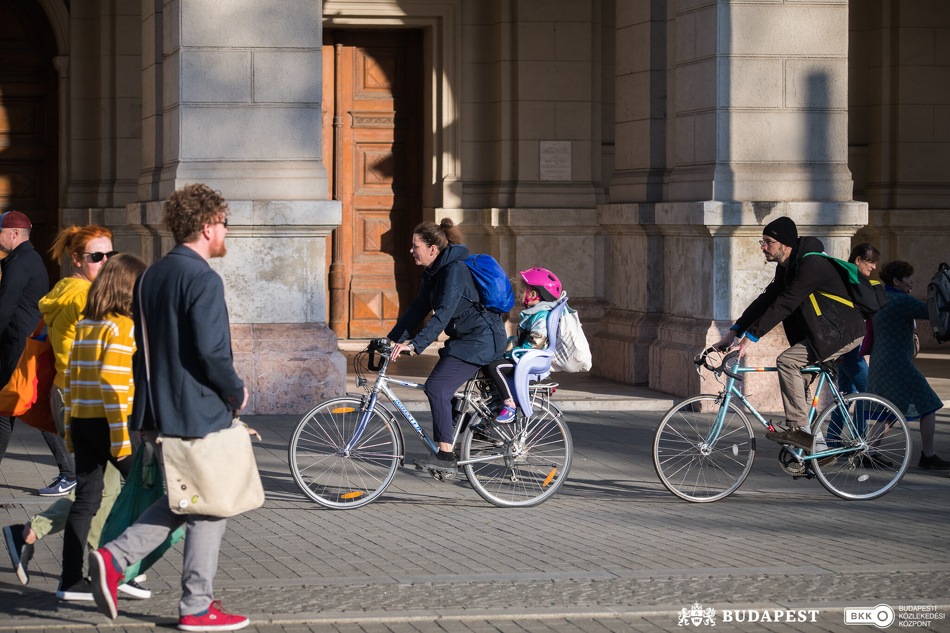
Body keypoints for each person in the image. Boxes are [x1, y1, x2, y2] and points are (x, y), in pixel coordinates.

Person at [87, 183, 250, 631]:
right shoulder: (203, 279)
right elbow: (213, 353)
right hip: (198, 413)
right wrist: (236, 392)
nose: (226, 233)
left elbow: (144, 352)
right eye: (223, 224)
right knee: (209, 505)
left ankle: (118, 559)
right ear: (206, 227)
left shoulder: (152, 276)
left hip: (157, 413)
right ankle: (193, 605)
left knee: (185, 502)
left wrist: (143, 415)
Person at [3, 226, 140, 592]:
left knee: (97, 490)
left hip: (78, 395)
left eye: (110, 254)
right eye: (97, 257)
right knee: (106, 490)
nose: (106, 262)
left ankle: (31, 535)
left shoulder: (72, 290)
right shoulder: (84, 296)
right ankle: (103, 566)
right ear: (77, 260)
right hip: (87, 399)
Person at [713, 217, 866, 452]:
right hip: (822, 334)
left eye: (768, 241)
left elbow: (786, 303)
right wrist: (733, 332)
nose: (763, 246)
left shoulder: (810, 265)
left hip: (841, 332)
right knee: (799, 385)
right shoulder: (786, 267)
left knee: (786, 361)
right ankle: (820, 451)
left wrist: (751, 338)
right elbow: (765, 301)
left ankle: (799, 430)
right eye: (762, 241)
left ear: (785, 244)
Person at [58, 254, 147, 600]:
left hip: (83, 422)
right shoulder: (122, 326)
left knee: (86, 501)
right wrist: (121, 438)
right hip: (112, 425)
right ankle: (121, 570)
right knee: (148, 497)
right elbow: (113, 382)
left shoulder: (86, 325)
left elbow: (70, 379)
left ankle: (69, 580)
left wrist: (69, 431)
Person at [387, 219, 506, 472]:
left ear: (433, 249)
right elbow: (418, 309)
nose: (411, 250)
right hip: (466, 339)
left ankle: (445, 457)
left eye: (414, 246)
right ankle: (471, 429)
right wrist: (391, 339)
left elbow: (442, 313)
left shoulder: (454, 270)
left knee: (437, 387)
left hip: (482, 339)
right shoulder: (434, 272)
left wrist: (416, 345)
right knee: (441, 388)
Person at [0, 211, 74, 488]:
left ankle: (70, 473)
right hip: (21, 344)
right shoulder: (26, 259)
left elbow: (4, 310)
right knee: (7, 410)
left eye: (1, 232)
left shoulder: (20, 263)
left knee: (36, 408)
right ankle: (69, 473)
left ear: (14, 233)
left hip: (20, 347)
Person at [867, 261, 948, 470]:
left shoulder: (881, 296)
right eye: (908, 279)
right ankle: (928, 456)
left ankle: (868, 452)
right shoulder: (900, 301)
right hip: (897, 362)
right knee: (929, 404)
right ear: (896, 281)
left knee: (890, 410)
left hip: (881, 360)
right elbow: (931, 311)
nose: (912, 282)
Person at [482, 267, 562, 422]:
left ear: (532, 294)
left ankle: (509, 404)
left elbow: (535, 343)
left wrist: (512, 352)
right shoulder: (534, 314)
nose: (519, 293)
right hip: (524, 357)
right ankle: (497, 400)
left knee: (495, 367)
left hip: (530, 360)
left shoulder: (541, 316)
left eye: (522, 290)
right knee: (488, 361)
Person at [836, 242, 882, 397]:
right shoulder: (852, 275)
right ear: (858, 260)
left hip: (844, 341)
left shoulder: (845, 274)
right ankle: (860, 423)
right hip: (848, 343)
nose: (874, 267)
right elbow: (871, 305)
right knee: (869, 393)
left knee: (846, 392)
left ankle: (840, 423)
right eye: (871, 262)